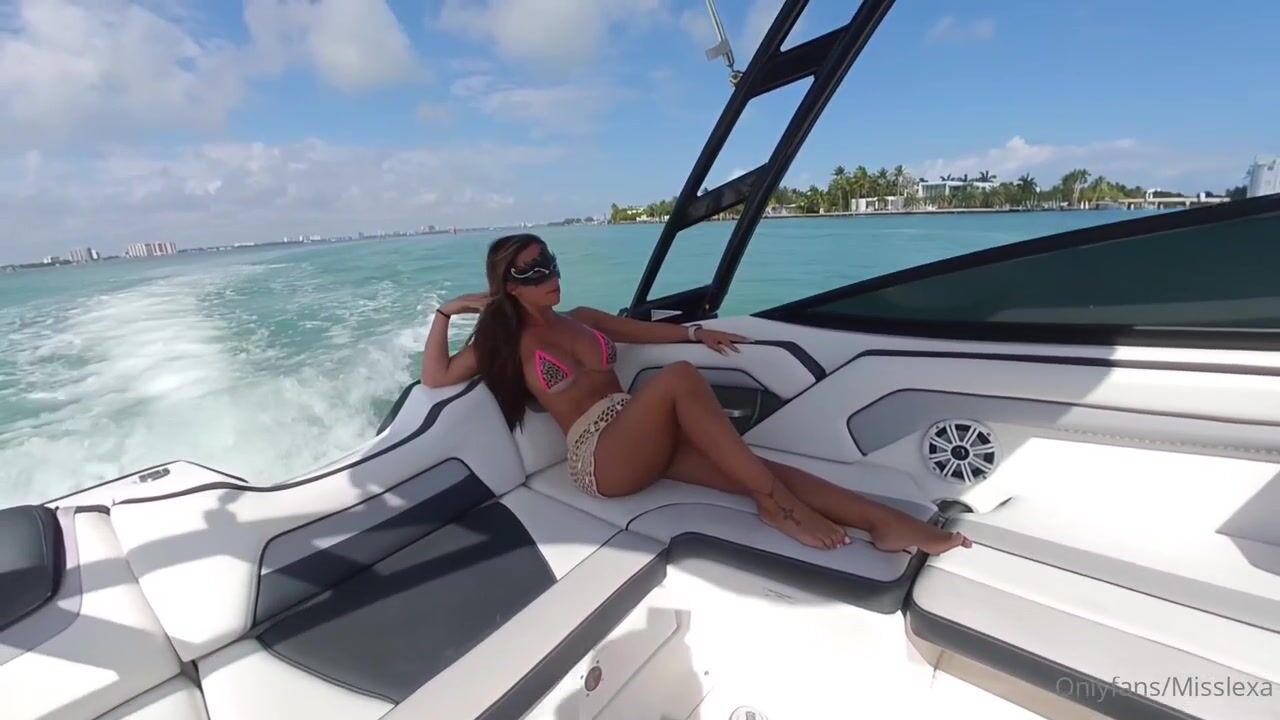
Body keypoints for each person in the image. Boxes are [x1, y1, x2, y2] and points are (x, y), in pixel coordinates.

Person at [421, 233, 970, 554]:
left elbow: (645, 332)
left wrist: (696, 333)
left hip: (639, 436)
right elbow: (437, 378)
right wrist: (447, 312)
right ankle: (776, 508)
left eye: (552, 263)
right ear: (508, 285)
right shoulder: (506, 341)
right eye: (533, 271)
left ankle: (885, 522)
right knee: (681, 378)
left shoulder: (583, 318)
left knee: (760, 466)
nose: (550, 276)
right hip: (599, 459)